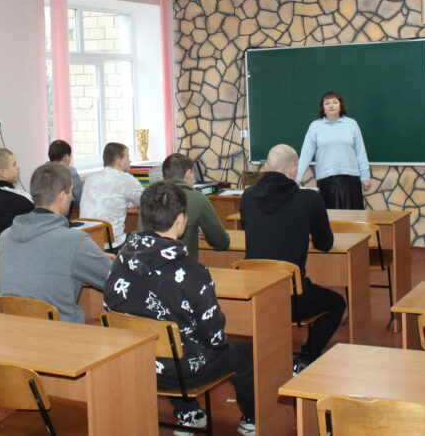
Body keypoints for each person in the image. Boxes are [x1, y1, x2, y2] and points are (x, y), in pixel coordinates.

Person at [105, 181, 256, 436]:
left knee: (171, 344)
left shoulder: (120, 260)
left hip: (134, 361)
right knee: (244, 354)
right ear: (180, 219)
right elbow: (215, 337)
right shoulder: (192, 270)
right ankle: (251, 420)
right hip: (180, 371)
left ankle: (189, 413)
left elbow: (109, 310)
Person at [242, 144, 345, 373]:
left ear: (266, 167)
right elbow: (325, 244)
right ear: (293, 170)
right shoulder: (309, 200)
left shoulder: (248, 197)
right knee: (337, 303)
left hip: (255, 295)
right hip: (292, 299)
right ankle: (306, 357)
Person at [0, 162, 113, 323]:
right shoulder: (75, 242)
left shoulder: (5, 237)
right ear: (62, 196)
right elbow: (117, 280)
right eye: (71, 191)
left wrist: (91, 257)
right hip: (61, 333)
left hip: (13, 330)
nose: (73, 197)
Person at [139, 153, 229, 258]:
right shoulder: (198, 199)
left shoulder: (149, 197)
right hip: (182, 264)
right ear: (188, 173)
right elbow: (221, 242)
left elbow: (141, 233)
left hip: (146, 263)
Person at [296, 90, 372, 210]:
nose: (331, 105)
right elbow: (306, 154)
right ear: (323, 108)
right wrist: (297, 178)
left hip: (350, 178)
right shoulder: (315, 126)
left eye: (334, 102)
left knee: (353, 217)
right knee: (329, 217)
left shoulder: (352, 124)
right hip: (325, 179)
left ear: (341, 106)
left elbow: (360, 152)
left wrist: (365, 177)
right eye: (327, 103)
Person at [80, 142, 142, 250]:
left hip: (88, 242)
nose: (130, 161)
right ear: (119, 161)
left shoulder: (91, 178)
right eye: (128, 157)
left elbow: (106, 200)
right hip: (112, 244)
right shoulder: (126, 179)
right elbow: (147, 202)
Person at [47, 139, 83, 214]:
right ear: (66, 157)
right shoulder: (70, 172)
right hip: (67, 215)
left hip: (44, 214)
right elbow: (80, 199)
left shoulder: (41, 171)